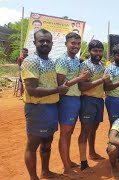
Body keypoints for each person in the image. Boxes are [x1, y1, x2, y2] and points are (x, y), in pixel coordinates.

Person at [21, 29, 69, 180]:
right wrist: (58, 90)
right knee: (32, 145)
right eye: (41, 40)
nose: (45, 43)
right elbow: (32, 89)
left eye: (48, 41)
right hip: (37, 108)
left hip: (51, 107)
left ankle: (45, 172)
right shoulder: (31, 61)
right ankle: (33, 177)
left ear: (52, 44)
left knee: (47, 142)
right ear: (35, 43)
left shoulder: (50, 61)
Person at [55, 32, 90, 178]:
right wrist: (80, 78)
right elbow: (60, 84)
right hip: (67, 100)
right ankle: (66, 169)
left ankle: (67, 161)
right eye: (72, 43)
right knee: (65, 133)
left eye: (78, 44)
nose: (75, 46)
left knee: (69, 133)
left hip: (75, 99)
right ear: (66, 44)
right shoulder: (63, 60)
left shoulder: (76, 59)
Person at [78, 40, 109, 171]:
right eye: (95, 51)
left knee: (94, 129)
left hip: (98, 100)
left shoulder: (102, 66)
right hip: (87, 100)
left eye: (100, 51)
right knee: (85, 130)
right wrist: (102, 80)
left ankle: (92, 152)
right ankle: (83, 162)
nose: (98, 53)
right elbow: (82, 86)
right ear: (90, 51)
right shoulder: (85, 65)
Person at [104, 44, 119, 126]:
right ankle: (112, 139)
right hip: (113, 100)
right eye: (118, 55)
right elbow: (107, 87)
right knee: (115, 125)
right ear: (113, 56)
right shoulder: (109, 68)